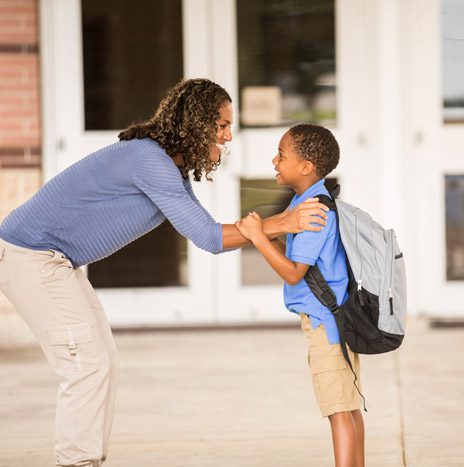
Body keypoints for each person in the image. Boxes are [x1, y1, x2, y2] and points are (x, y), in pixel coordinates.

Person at [0, 78, 328, 467]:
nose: (227, 136)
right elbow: (210, 236)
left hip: (55, 260)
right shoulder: (149, 161)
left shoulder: (169, 169)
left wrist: (273, 226)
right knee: (86, 364)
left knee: (102, 360)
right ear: (195, 122)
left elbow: (209, 233)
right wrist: (283, 223)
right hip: (32, 256)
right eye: (221, 125)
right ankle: (76, 463)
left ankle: (84, 460)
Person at [236, 124, 365, 467]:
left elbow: (294, 272)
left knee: (338, 410)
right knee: (348, 404)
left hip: (326, 325)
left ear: (306, 166)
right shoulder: (308, 201)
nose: (274, 160)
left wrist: (259, 237)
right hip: (335, 319)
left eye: (282, 154)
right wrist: (268, 234)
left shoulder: (312, 212)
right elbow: (297, 258)